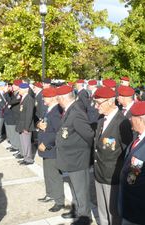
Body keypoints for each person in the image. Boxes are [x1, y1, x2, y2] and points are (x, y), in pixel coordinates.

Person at [93, 86, 133, 225]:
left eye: (98, 103)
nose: (96, 106)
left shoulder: (122, 123)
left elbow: (129, 152)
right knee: (102, 212)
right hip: (99, 173)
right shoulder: (101, 120)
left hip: (113, 176)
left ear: (110, 101)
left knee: (113, 213)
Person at [55, 85, 94, 225]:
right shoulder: (70, 109)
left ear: (63, 98)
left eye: (58, 98)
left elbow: (89, 135)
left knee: (81, 190)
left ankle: (84, 218)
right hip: (71, 159)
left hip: (78, 159)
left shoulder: (76, 111)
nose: (57, 101)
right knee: (75, 188)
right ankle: (77, 212)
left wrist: (81, 152)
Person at [37, 87, 65, 212]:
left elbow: (57, 132)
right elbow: (43, 123)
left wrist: (46, 144)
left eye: (45, 97)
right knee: (47, 174)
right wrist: (38, 124)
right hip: (46, 149)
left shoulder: (57, 111)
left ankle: (59, 201)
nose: (43, 99)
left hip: (51, 149)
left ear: (53, 98)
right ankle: (50, 194)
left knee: (54, 176)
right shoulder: (48, 109)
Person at [16, 83, 35, 165]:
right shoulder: (24, 98)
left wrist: (26, 127)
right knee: (23, 143)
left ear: (25, 89)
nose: (18, 90)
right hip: (22, 124)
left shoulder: (29, 99)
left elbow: (29, 114)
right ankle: (25, 157)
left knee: (26, 143)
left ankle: (29, 159)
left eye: (20, 89)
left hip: (26, 125)